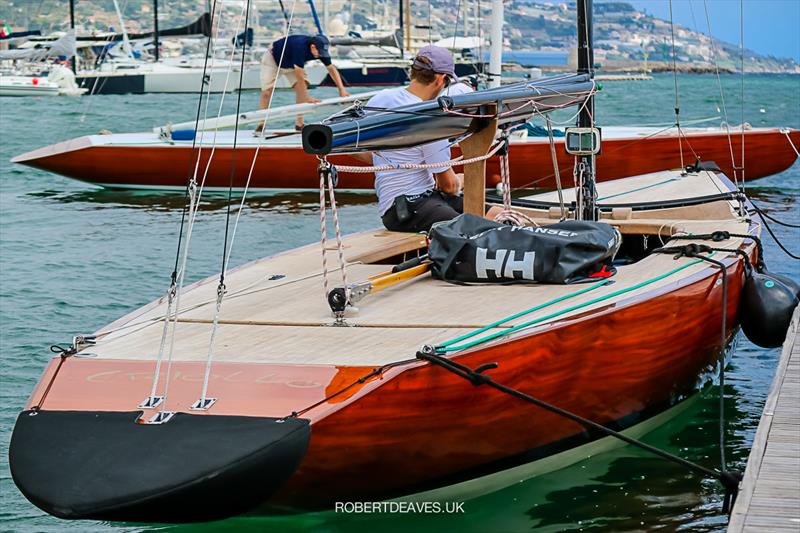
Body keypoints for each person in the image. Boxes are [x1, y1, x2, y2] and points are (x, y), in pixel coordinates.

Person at [365, 45, 502, 233]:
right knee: (476, 229)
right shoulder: (432, 118)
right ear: (439, 79)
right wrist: (463, 179)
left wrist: (387, 161)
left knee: (495, 214)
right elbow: (448, 186)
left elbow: (356, 147)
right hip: (408, 210)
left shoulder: (380, 99)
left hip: (406, 204)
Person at [257, 34, 349, 132]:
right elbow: (299, 76)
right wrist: (307, 98)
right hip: (273, 58)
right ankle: (261, 125)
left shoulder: (320, 51)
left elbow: (331, 69)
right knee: (267, 92)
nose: (320, 55)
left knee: (302, 87)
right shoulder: (299, 47)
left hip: (291, 63)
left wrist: (342, 90)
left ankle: (299, 124)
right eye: (319, 52)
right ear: (312, 47)